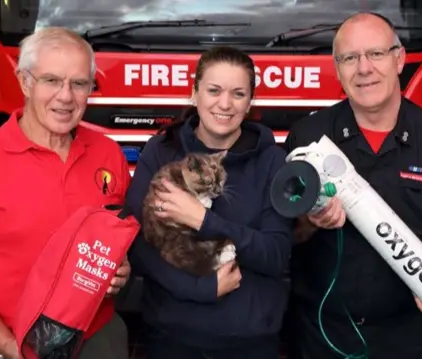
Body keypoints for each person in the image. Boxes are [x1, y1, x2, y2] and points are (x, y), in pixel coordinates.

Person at [284, 12, 422, 359]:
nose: (364, 68)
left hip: (406, 338)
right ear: (337, 68)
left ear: (399, 59)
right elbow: (280, 232)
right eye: (350, 58)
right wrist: (308, 221)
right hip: (319, 336)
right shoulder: (309, 138)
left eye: (376, 54)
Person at [0, 27, 132, 359]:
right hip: (10, 343)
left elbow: (113, 241)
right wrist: (8, 346)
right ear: (24, 82)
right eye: (51, 80)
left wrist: (120, 269)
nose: (66, 96)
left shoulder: (109, 155)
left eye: (79, 83)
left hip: (97, 339)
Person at [124, 46, 294, 359]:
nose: (225, 104)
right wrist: (201, 289)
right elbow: (137, 243)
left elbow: (275, 254)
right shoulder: (161, 150)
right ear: (194, 94)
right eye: (214, 90)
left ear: (250, 102)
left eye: (238, 93)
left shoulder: (272, 162)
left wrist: (203, 220)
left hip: (249, 343)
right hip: (170, 338)